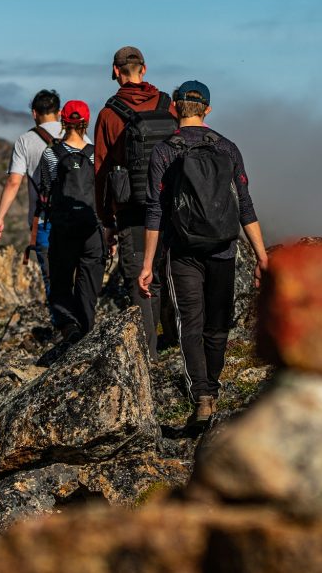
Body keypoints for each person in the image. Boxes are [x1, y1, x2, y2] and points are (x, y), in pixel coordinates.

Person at [138, 81, 268, 424]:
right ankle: (212, 383)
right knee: (218, 322)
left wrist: (148, 263)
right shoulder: (227, 148)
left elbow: (155, 210)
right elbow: (245, 205)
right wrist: (261, 256)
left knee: (189, 322)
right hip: (224, 247)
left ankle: (203, 395)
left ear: (175, 108)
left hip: (182, 251)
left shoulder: (165, 152)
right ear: (207, 109)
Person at [94, 45, 178, 359]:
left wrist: (106, 219)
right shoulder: (169, 106)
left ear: (115, 71)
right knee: (172, 273)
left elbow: (100, 170)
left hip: (133, 212)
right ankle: (177, 343)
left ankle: (148, 356)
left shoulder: (108, 114)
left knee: (142, 283)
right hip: (171, 207)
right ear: (144, 69)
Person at [0, 89, 87, 310]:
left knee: (53, 281)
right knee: (79, 276)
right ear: (60, 111)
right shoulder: (82, 136)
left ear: (34, 113)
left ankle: (63, 327)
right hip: (79, 218)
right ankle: (82, 325)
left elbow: (13, 182)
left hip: (44, 220)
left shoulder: (25, 141)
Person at [31, 100, 105, 344]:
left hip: (61, 227)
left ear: (63, 122)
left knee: (61, 280)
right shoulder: (95, 155)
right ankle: (87, 329)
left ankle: (69, 327)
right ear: (87, 122)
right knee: (89, 282)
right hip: (91, 228)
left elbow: (46, 189)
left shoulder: (51, 155)